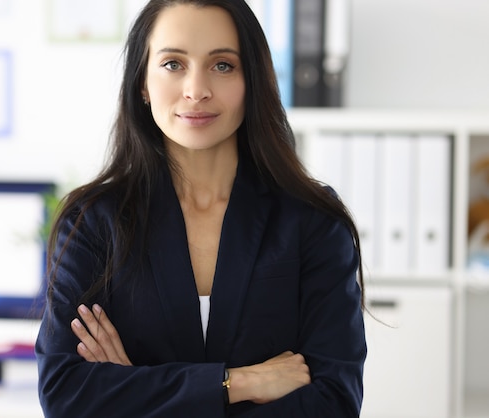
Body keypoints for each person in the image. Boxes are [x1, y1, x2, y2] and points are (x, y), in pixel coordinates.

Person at [35, 0, 367, 416]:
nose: (196, 90)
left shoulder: (313, 221)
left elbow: (333, 403)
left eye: (223, 65)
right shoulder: (92, 221)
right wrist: (236, 383)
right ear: (142, 81)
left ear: (253, 81)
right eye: (173, 64)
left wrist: (133, 391)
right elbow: (66, 394)